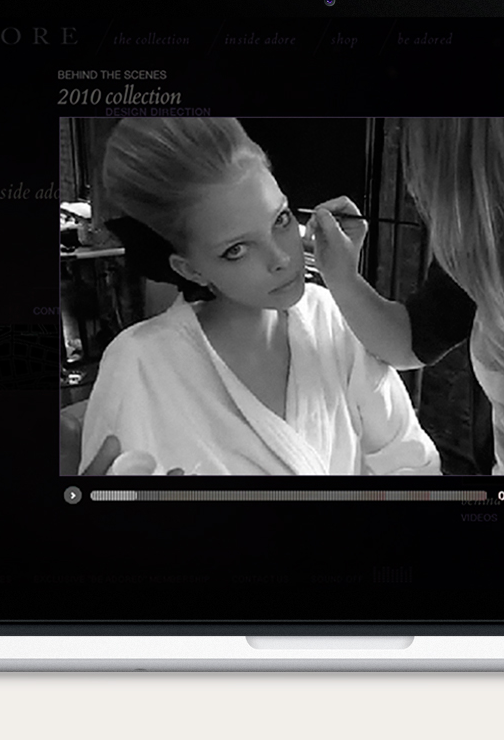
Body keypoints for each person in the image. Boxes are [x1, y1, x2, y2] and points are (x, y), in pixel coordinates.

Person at [78, 117, 439, 476]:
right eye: (236, 250)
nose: (281, 258)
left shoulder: (331, 320)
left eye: (280, 219)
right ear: (190, 269)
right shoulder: (138, 365)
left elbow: (412, 466)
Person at [310, 117, 504, 475]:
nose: (416, 193)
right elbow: (408, 342)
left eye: (432, 186)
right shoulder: (485, 252)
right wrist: (341, 276)